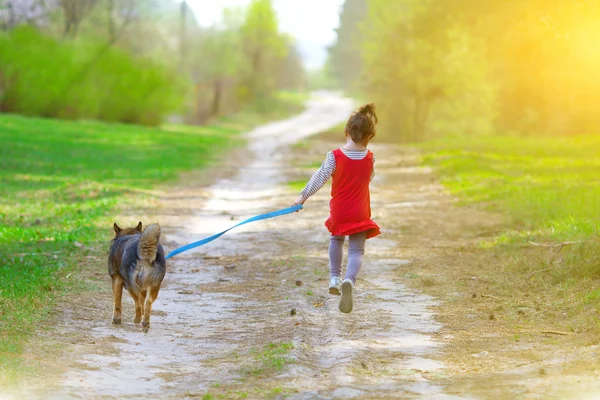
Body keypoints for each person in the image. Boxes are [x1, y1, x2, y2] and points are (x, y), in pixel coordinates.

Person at [292, 103, 380, 313]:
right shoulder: (370, 157)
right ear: (369, 136)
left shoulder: (335, 156)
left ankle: (334, 278)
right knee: (357, 250)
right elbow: (371, 177)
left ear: (346, 132)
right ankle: (349, 280)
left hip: (340, 211)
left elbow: (319, 178)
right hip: (360, 211)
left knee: (336, 240)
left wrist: (302, 197)